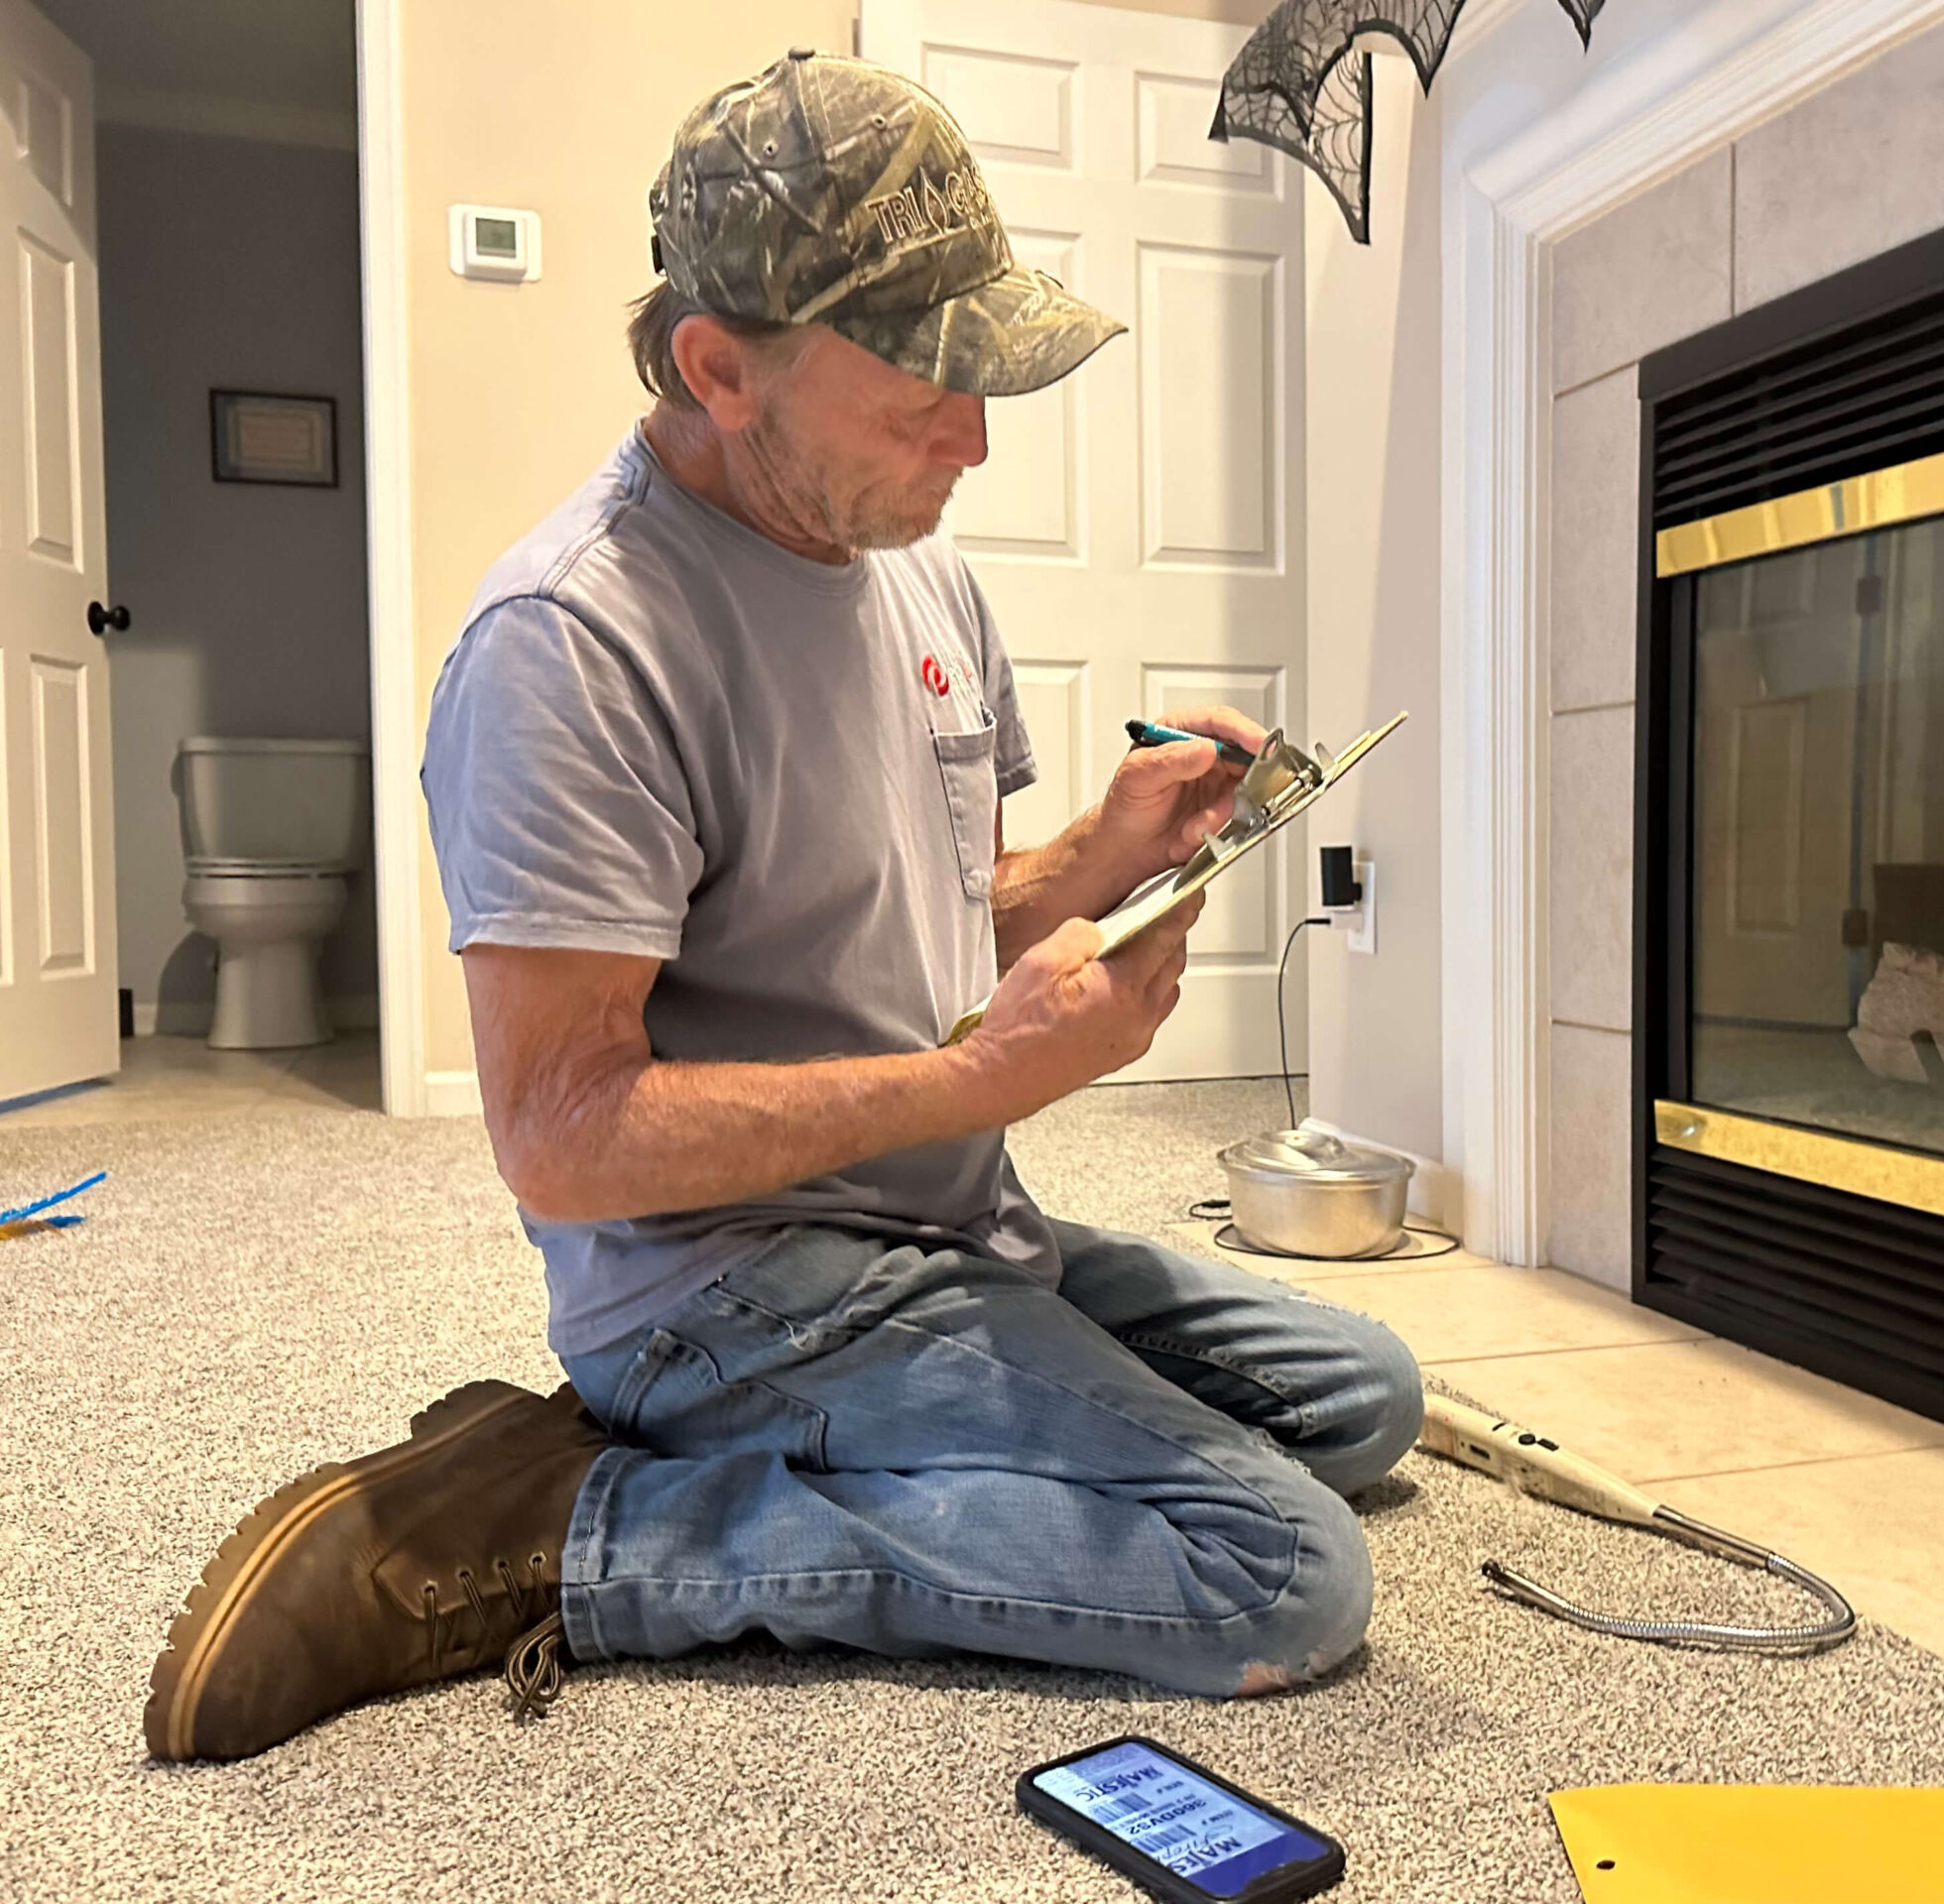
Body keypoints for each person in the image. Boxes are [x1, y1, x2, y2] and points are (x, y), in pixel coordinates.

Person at [143, 51, 1422, 1763]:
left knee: (1361, 1398)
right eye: (921, 394)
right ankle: (578, 1530)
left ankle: (882, 1428)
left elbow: (914, 919)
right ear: (718, 368)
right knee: (1278, 1573)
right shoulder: (571, 646)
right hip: (723, 1290)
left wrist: (1104, 856)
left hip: (947, 1229)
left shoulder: (920, 557)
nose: (976, 438)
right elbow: (566, 1136)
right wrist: (981, 1085)